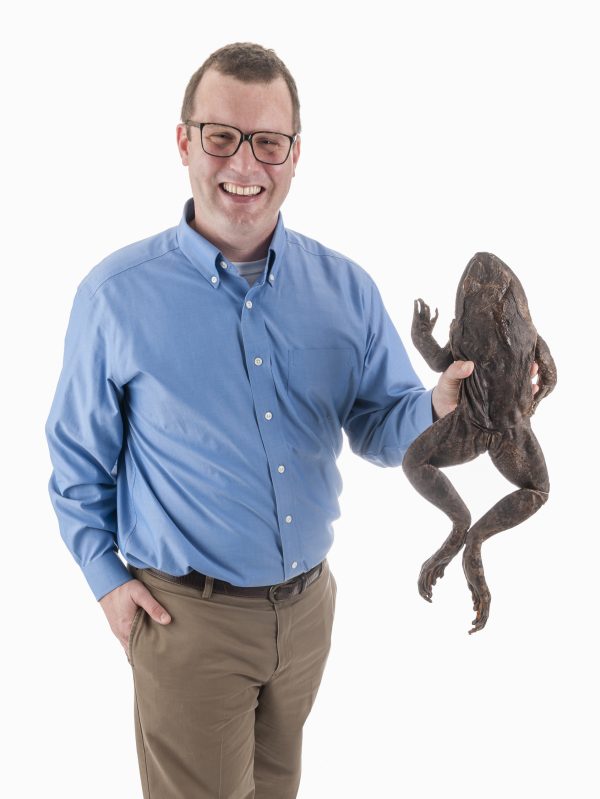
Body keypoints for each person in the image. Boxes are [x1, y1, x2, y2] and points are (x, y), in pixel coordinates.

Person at [45, 42, 511, 799]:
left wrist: (440, 404)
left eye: (269, 142)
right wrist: (106, 582)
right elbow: (76, 463)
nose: (246, 165)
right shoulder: (115, 297)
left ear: (295, 155)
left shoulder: (345, 288)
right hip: (186, 618)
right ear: (184, 141)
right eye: (222, 136)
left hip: (306, 614)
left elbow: (383, 425)